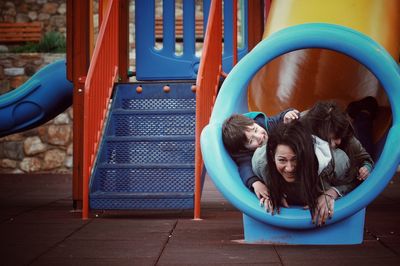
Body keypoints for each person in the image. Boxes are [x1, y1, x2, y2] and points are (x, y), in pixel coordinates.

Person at [254, 120, 351, 226]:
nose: (289, 168)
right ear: (272, 157)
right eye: (282, 160)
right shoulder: (261, 163)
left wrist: (332, 193)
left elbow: (357, 180)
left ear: (306, 155)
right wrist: (260, 186)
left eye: (296, 159)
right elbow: (242, 165)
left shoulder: (335, 163)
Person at [222, 109, 300, 200]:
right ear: (244, 149)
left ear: (255, 122)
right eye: (251, 141)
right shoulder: (247, 155)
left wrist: (287, 115)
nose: (259, 137)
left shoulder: (266, 124)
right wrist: (256, 183)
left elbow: (280, 119)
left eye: (255, 130)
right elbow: (245, 168)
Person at [302, 100, 374, 186]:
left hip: (354, 148)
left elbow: (367, 159)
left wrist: (366, 168)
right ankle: (357, 111)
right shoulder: (305, 124)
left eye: (340, 136)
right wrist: (285, 114)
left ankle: (365, 111)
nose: (339, 141)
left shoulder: (347, 139)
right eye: (335, 137)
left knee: (363, 128)